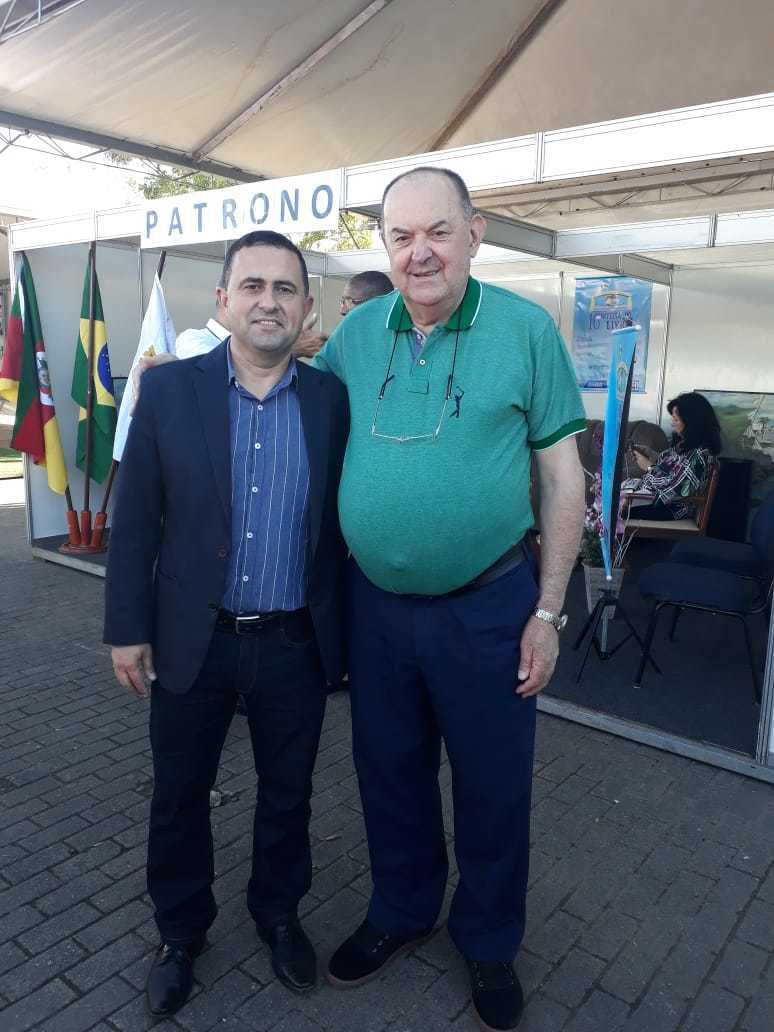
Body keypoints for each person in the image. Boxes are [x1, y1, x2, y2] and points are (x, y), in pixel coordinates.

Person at [312, 167, 586, 1032]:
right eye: (402, 236)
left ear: (475, 233)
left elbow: (563, 479)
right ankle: (401, 910)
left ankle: (490, 940)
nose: (420, 252)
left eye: (438, 231)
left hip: (489, 605)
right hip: (376, 607)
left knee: (492, 784)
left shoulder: (526, 330)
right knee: (387, 770)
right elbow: (294, 406)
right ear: (385, 246)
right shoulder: (358, 333)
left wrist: (547, 613)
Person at [104, 230, 350, 1017]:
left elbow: (342, 527)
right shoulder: (169, 391)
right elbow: (134, 521)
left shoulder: (330, 400)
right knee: (179, 794)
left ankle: (278, 915)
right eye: (252, 286)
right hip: (192, 638)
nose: (268, 302)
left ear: (305, 306)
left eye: (285, 288)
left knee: (289, 795)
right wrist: (126, 628)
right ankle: (181, 933)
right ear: (223, 301)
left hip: (293, 642)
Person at [629, 391, 721, 520]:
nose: (672, 423)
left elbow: (674, 490)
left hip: (671, 509)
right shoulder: (687, 445)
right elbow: (673, 469)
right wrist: (652, 455)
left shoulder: (699, 455)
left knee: (616, 510)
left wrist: (649, 467)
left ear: (691, 422)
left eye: (676, 419)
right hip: (656, 501)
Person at [293, 270, 394, 358]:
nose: (342, 311)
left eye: (349, 301)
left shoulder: (397, 351)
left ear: (375, 306)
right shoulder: (340, 350)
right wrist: (294, 349)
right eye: (342, 301)